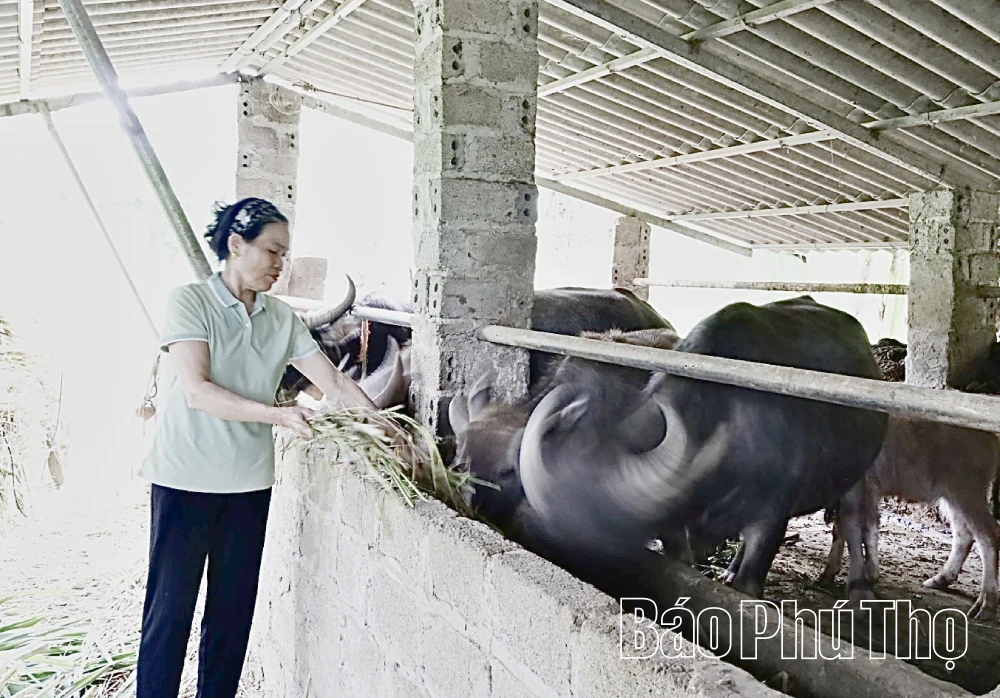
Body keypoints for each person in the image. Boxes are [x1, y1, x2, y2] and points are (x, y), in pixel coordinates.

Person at [135, 197, 376, 698]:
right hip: (185, 480)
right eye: (271, 251)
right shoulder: (191, 302)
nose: (279, 265)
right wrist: (278, 413)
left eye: (284, 255)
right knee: (169, 612)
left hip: (248, 485)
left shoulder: (280, 319)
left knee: (232, 612)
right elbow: (198, 392)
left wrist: (386, 427)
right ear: (235, 244)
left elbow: (330, 379)